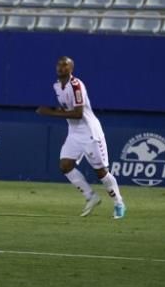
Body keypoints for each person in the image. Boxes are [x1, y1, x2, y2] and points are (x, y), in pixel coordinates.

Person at [35, 57, 125, 219]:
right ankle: (91, 197)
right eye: (59, 65)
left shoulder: (76, 86)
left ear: (71, 69)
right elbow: (66, 108)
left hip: (90, 133)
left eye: (64, 65)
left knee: (101, 172)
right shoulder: (57, 86)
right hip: (74, 133)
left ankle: (118, 203)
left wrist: (50, 113)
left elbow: (78, 113)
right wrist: (50, 109)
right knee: (65, 165)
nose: (60, 68)